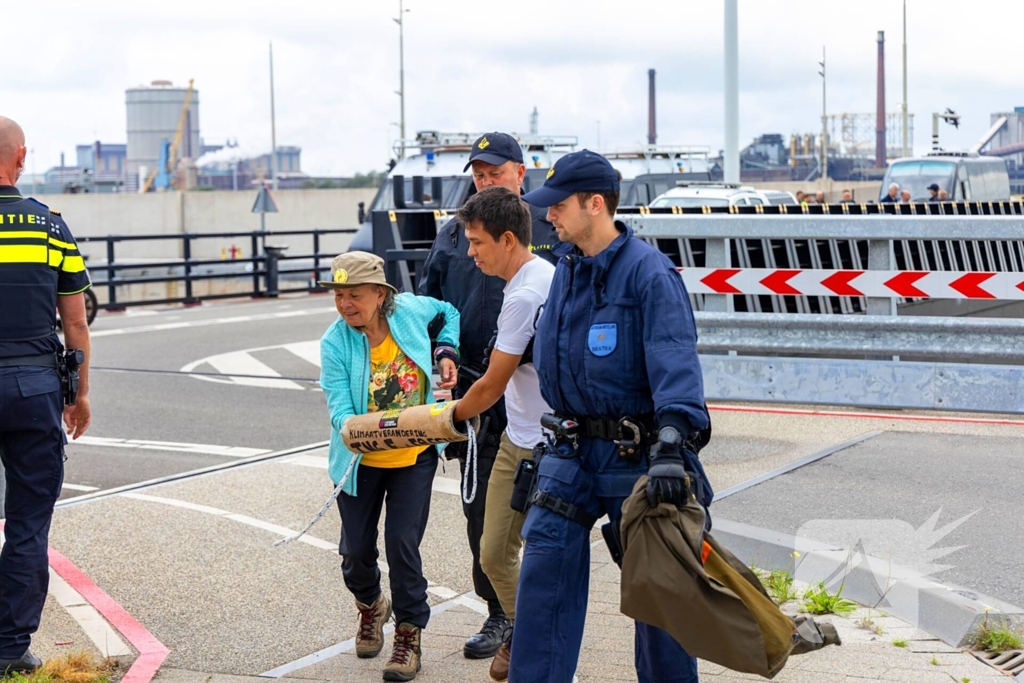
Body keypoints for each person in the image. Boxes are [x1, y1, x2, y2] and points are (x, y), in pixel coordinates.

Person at [511, 149, 713, 683]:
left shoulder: (649, 274)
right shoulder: (566, 272)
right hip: (572, 454)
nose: (547, 215)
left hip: (638, 456)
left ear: (594, 204)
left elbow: (675, 360)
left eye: (557, 205)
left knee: (660, 601)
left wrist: (672, 445)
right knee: (541, 584)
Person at [417, 132, 559, 660]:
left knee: (543, 518)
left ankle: (537, 621)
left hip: (527, 397)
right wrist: (442, 352)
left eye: (495, 171)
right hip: (476, 385)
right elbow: (431, 303)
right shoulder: (455, 235)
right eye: (477, 172)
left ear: (520, 174)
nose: (484, 179)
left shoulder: (547, 229)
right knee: (482, 513)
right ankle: (502, 613)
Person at [319, 251, 460, 682]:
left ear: (380, 295)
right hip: (360, 460)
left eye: (354, 295)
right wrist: (364, 427)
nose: (345, 304)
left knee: (402, 545)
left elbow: (448, 311)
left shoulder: (412, 312)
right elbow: (339, 411)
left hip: (413, 456)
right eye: (339, 295)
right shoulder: (335, 342)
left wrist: (445, 349)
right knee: (355, 554)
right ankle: (370, 605)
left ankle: (408, 633)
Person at [444, 187, 555, 682]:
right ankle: (526, 630)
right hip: (520, 435)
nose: (470, 253)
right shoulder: (532, 278)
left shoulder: (528, 293)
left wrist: (447, 419)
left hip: (543, 446)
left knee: (518, 553)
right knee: (495, 552)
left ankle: (531, 635)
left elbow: (491, 383)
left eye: (476, 242)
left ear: (508, 239)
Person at [0, 116, 92, 675]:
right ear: (22, 156)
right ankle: (9, 647)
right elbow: (76, 326)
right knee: (28, 524)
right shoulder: (49, 228)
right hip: (34, 389)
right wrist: (79, 396)